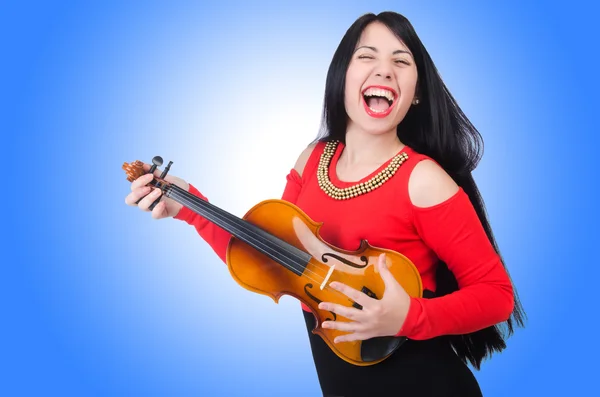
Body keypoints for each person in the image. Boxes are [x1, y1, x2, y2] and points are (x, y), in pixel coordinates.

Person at [125, 11, 525, 397]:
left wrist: (408, 317)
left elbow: (496, 295)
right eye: (366, 56)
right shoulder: (313, 159)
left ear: (417, 92)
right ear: (342, 77)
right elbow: (265, 262)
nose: (384, 70)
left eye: (400, 61)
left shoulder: (423, 180)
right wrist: (187, 203)